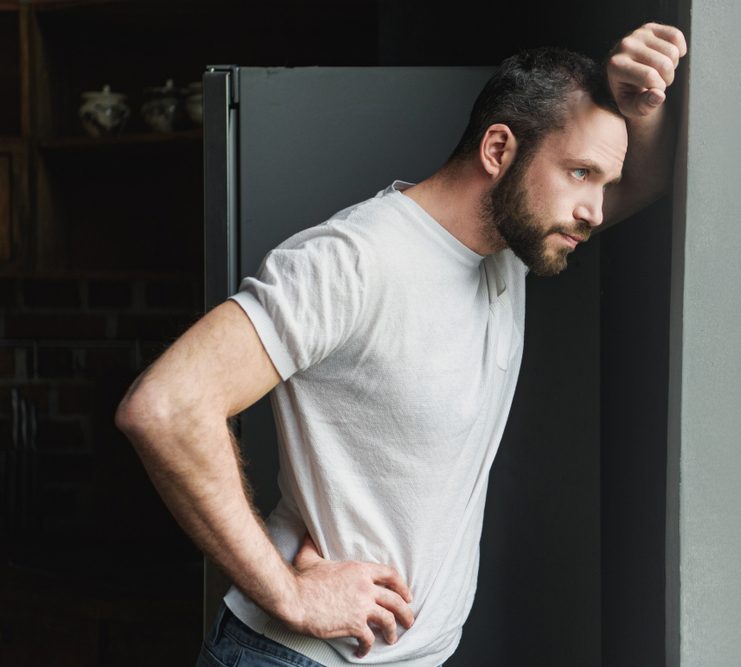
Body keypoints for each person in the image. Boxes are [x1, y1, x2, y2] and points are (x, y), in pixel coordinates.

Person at [115, 21, 686, 667]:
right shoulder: (356, 260)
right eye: (580, 173)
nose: (596, 209)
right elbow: (165, 406)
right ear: (499, 149)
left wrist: (644, 107)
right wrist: (288, 592)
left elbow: (652, 176)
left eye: (602, 183)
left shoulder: (508, 249)